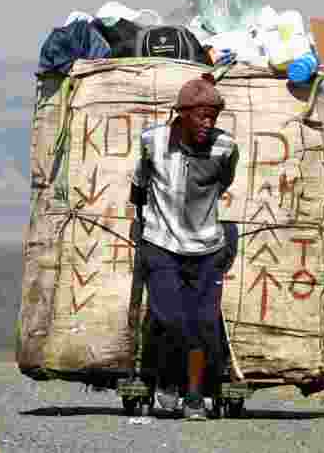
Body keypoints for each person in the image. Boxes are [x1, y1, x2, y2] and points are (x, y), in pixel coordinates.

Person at [130, 74, 239, 420]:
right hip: (160, 243)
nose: (209, 124)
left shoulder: (225, 148)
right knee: (172, 318)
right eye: (201, 116)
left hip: (206, 248)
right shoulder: (152, 142)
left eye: (214, 117)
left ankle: (193, 395)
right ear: (182, 114)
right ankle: (167, 381)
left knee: (204, 323)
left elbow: (224, 181)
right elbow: (139, 185)